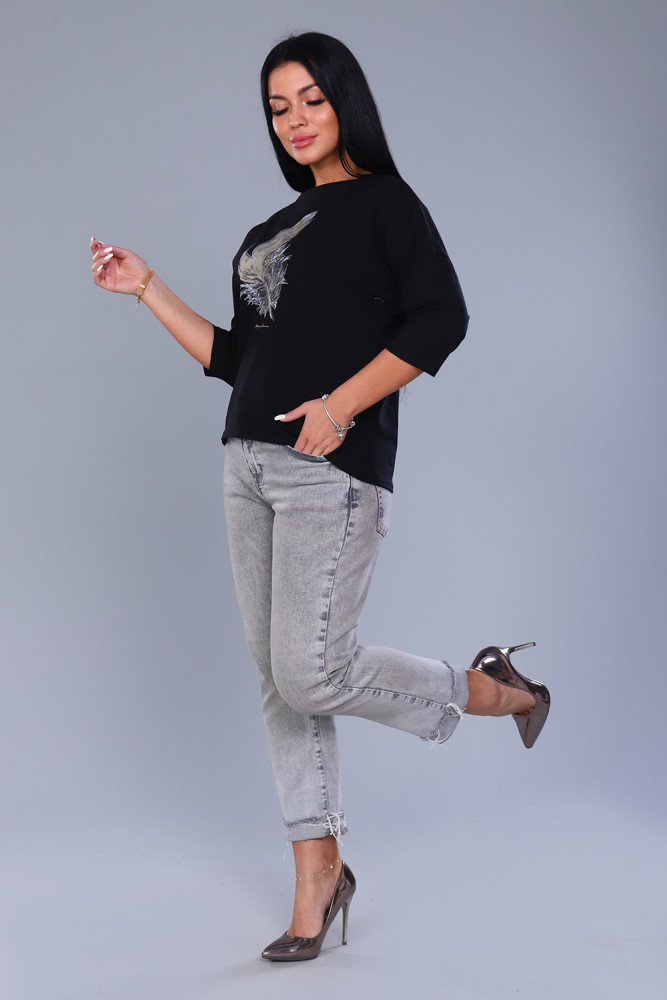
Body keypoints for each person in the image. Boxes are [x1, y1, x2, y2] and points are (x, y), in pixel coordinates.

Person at [90, 31, 550, 963]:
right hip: (246, 464)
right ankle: (318, 874)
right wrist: (147, 289)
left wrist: (339, 408)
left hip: (326, 470)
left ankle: (495, 691)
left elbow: (441, 318)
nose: (295, 120)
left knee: (310, 671)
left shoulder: (387, 205)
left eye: (311, 99)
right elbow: (240, 361)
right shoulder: (268, 230)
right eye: (277, 107)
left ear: (345, 101)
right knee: (278, 683)